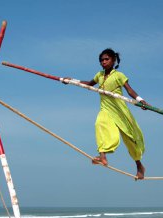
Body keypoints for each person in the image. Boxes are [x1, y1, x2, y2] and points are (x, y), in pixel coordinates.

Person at [63, 48, 148, 179]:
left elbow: (129, 90)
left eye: (106, 59)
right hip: (106, 108)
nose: (104, 62)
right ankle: (103, 157)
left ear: (113, 60)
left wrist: (140, 100)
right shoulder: (100, 75)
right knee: (100, 124)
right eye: (101, 60)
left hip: (120, 110)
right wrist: (72, 80)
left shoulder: (118, 75)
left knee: (130, 138)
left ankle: (139, 165)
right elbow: (90, 84)